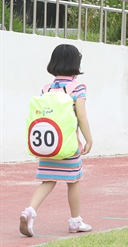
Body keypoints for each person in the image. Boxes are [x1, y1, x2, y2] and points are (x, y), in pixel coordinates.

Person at [20, 44, 94, 237]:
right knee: (74, 181)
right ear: (75, 64)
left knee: (48, 180)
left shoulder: (46, 89)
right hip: (69, 147)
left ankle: (29, 211)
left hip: (49, 147)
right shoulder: (77, 88)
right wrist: (89, 139)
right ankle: (75, 221)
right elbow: (82, 116)